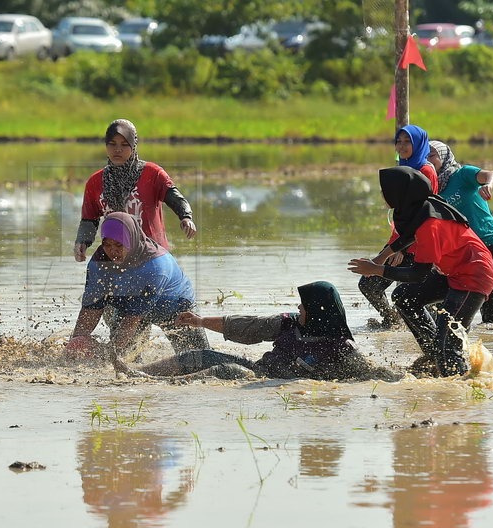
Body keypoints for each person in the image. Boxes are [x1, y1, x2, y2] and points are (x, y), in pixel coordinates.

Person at [348, 166, 493, 377]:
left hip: (474, 275)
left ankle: (459, 387)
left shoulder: (429, 224)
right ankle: (434, 354)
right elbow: (409, 235)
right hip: (455, 271)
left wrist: (377, 269)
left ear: (400, 193)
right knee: (404, 297)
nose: (383, 194)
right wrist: (382, 257)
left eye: (386, 190)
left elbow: (418, 274)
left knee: (448, 341)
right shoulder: (421, 208)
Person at [113, 281, 397, 381]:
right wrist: (200, 321)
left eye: (305, 305)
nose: (299, 307)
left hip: (275, 383)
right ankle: (138, 374)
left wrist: (402, 377)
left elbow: (372, 374)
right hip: (260, 372)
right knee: (201, 355)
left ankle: (161, 384)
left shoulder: (341, 348)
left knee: (226, 371)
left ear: (320, 311)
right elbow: (247, 327)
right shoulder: (288, 322)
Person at [67, 212, 209, 359]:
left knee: (199, 361)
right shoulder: (99, 263)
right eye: (107, 245)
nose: (113, 251)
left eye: (119, 244)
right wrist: (74, 345)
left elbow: (132, 320)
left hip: (174, 307)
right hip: (129, 306)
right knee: (127, 359)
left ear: (131, 240)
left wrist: (109, 356)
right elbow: (91, 310)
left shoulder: (155, 266)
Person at [74, 119, 196, 262]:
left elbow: (175, 197)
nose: (117, 149)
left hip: (153, 255)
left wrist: (186, 217)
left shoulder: (153, 174)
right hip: (115, 255)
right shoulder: (95, 182)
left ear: (133, 146)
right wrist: (82, 242)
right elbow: (89, 220)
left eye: (124, 144)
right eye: (112, 144)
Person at [358, 124, 439, 330]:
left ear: (418, 144)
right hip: (399, 237)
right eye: (398, 141)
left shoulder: (425, 170)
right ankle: (393, 320)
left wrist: (401, 249)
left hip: (416, 242)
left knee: (412, 294)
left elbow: (422, 214)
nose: (401, 146)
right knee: (369, 284)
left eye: (407, 142)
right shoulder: (404, 166)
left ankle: (428, 332)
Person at [428, 140, 493, 323]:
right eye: (424, 157)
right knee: (449, 308)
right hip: (462, 252)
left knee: (490, 315)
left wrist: (488, 185)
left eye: (432, 155)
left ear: (444, 157)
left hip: (489, 244)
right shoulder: (431, 187)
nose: (428, 160)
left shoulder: (462, 174)